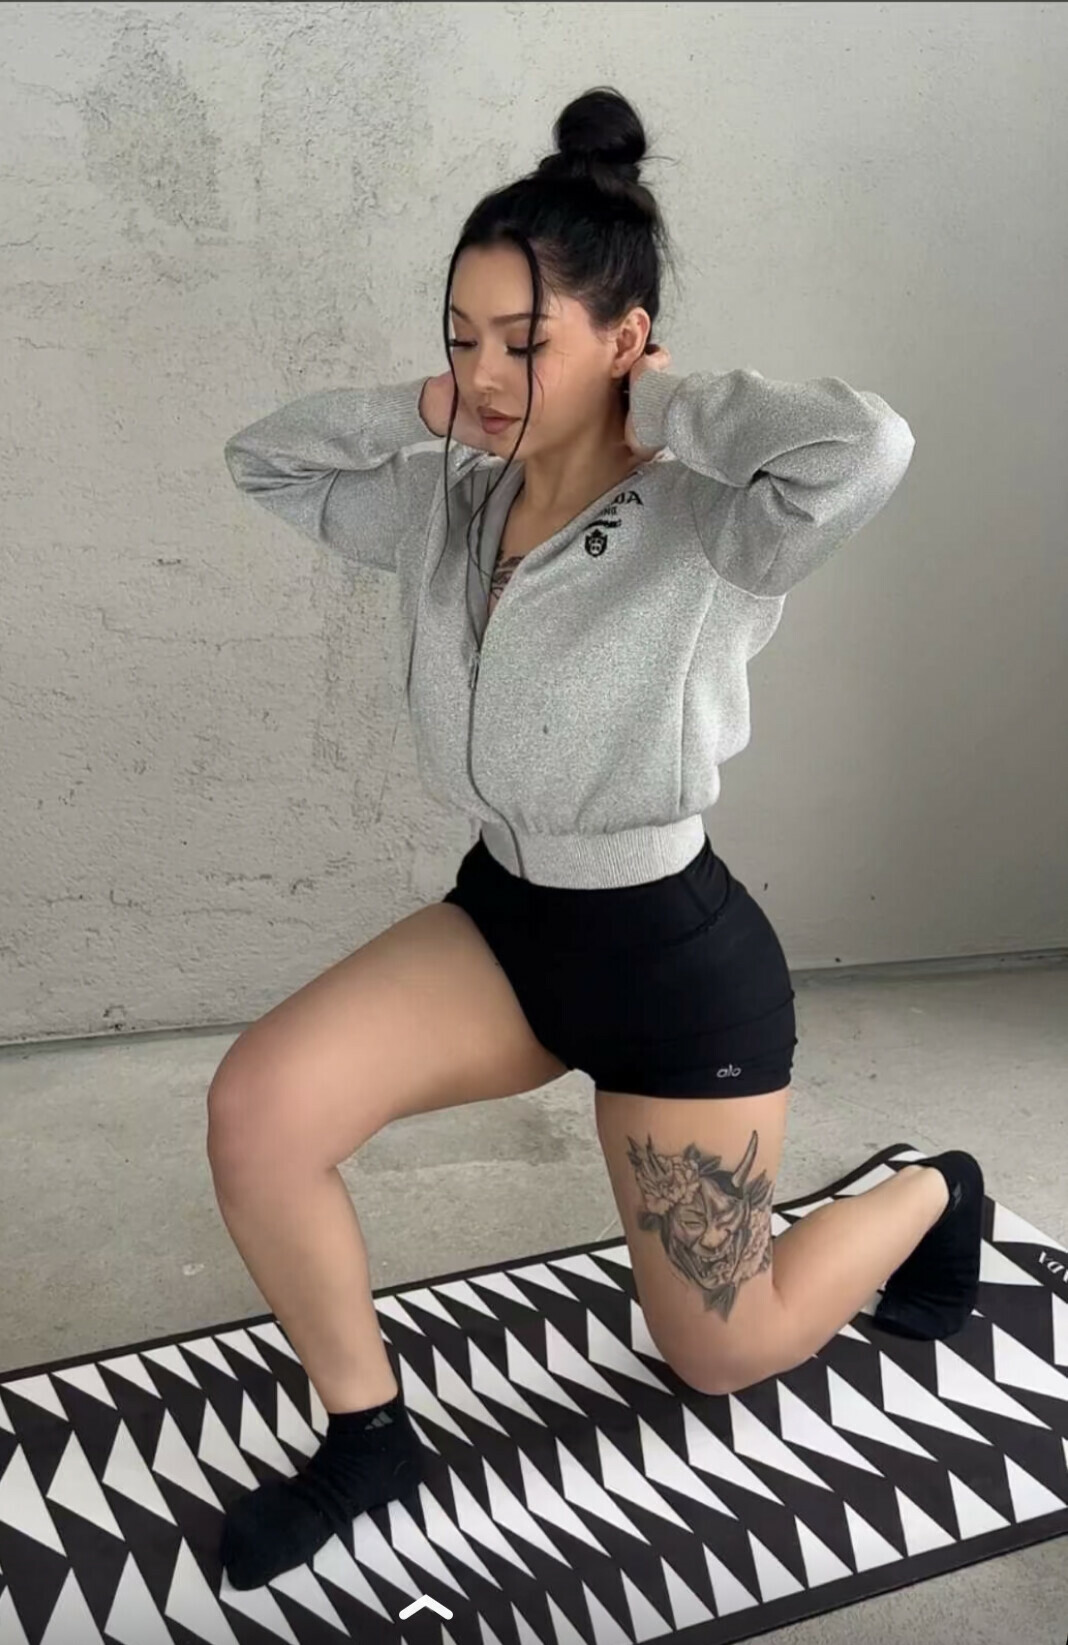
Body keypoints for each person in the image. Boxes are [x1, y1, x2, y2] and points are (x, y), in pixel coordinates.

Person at [210, 85, 984, 1591]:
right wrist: (422, 410)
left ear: (624, 338)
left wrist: (669, 406)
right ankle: (369, 1433)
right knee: (259, 1111)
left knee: (724, 1350)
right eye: (462, 337)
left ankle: (932, 1188)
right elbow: (266, 461)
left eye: (525, 341)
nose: (485, 375)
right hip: (507, 924)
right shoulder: (450, 500)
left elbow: (870, 445)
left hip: (672, 970)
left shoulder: (717, 521)